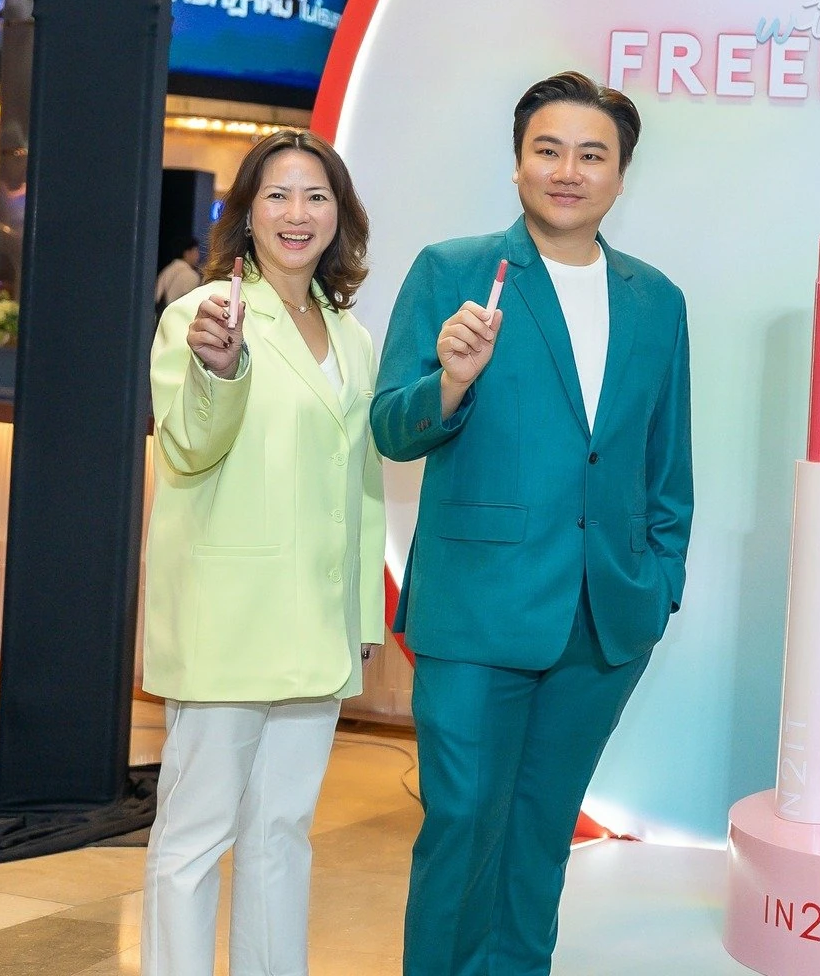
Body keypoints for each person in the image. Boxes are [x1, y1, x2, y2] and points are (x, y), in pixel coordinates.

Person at [374, 70, 693, 976]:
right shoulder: (454, 270)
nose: (568, 171)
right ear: (517, 165)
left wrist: (659, 582)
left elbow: (667, 463)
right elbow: (391, 427)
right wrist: (450, 381)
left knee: (543, 837)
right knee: (463, 828)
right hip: (479, 612)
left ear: (620, 175)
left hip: (604, 620)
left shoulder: (655, 299)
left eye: (592, 155)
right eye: (547, 150)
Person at [139, 130, 386, 976]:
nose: (296, 213)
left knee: (282, 834)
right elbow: (188, 447)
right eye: (276, 194)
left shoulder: (350, 334)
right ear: (245, 213)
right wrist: (221, 370)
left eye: (316, 196)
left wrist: (360, 615)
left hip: (317, 626)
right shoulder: (202, 315)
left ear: (339, 215)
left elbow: (361, 484)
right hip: (228, 622)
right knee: (194, 837)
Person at [155, 237, 204, 315]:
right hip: (176, 316)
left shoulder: (168, 269)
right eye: (195, 251)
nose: (198, 256)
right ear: (186, 253)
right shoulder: (190, 275)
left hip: (160, 315)